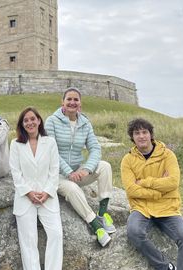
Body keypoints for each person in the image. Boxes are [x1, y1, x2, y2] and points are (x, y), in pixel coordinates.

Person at [45, 87, 116, 247]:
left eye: (75, 99)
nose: (72, 102)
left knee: (105, 166)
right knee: (71, 189)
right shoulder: (51, 121)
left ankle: (102, 214)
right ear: (62, 102)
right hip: (56, 174)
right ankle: (95, 225)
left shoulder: (85, 122)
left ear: (80, 103)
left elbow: (95, 148)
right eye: (69, 99)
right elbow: (51, 150)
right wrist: (68, 172)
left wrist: (86, 169)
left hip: (78, 172)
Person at [121, 118, 183, 270]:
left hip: (168, 208)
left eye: (144, 132)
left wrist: (144, 182)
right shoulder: (127, 160)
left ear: (151, 134)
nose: (141, 136)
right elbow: (131, 190)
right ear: (132, 137)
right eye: (137, 133)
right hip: (142, 208)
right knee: (134, 232)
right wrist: (158, 192)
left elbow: (173, 182)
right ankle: (165, 267)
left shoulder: (168, 155)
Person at [9, 107, 63, 270]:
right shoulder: (15, 144)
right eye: (26, 120)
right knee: (28, 241)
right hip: (25, 198)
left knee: (56, 235)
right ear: (22, 124)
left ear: (39, 121)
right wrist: (28, 192)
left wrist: (47, 192)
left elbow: (55, 170)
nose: (30, 122)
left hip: (47, 197)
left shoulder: (50, 142)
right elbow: (15, 172)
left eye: (33, 119)